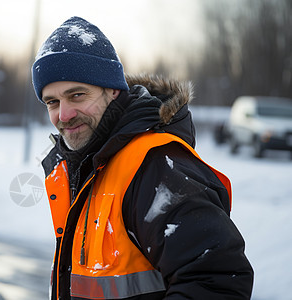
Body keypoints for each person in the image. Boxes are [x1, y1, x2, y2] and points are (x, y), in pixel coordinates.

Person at [31, 16, 254, 300]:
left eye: (77, 95)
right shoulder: (88, 166)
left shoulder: (155, 167)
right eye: (53, 102)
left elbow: (216, 282)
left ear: (112, 90)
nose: (63, 115)